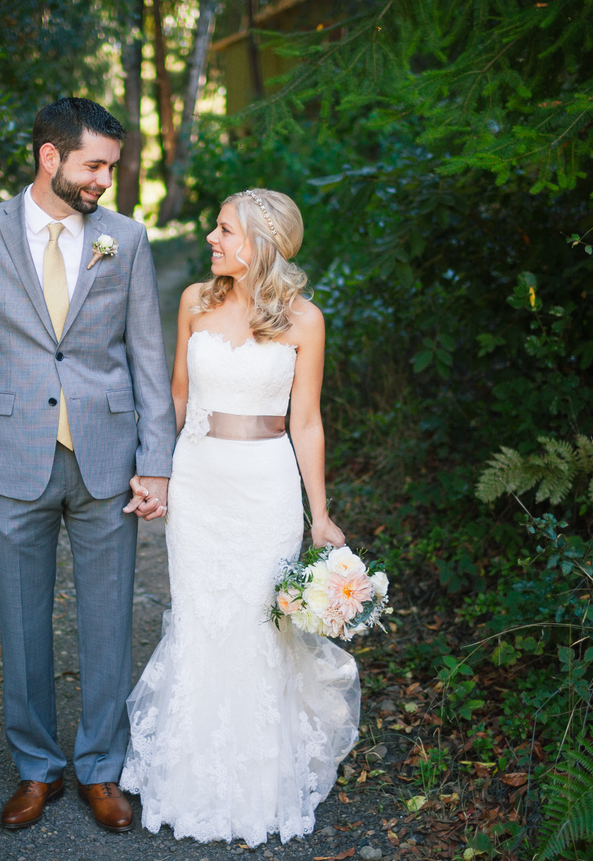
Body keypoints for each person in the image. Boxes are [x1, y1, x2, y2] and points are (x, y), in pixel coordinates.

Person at [0, 97, 175, 833]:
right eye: (93, 164)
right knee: (21, 622)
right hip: (10, 459)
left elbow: (146, 356)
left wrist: (156, 461)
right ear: (50, 157)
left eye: (111, 166)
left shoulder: (126, 241)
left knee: (108, 621)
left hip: (106, 459)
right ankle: (37, 766)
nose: (105, 179)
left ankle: (101, 766)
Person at [120, 189, 360, 846]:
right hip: (200, 485)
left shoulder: (303, 319)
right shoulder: (195, 301)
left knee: (258, 628)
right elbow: (175, 393)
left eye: (224, 230)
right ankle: (188, 779)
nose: (212, 239)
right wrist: (157, 473)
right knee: (201, 619)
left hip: (266, 488)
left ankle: (258, 785)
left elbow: (306, 421)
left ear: (259, 242)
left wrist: (321, 516)